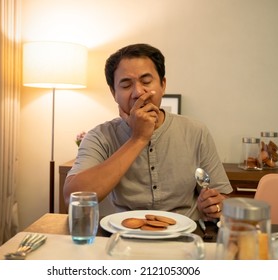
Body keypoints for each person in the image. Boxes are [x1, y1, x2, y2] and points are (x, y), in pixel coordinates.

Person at [63, 43, 232, 220]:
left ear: (163, 85)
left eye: (146, 82)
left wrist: (216, 204)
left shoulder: (196, 132)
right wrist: (138, 138)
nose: (138, 92)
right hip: (120, 239)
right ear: (114, 93)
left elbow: (223, 198)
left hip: (185, 239)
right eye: (126, 85)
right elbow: (72, 197)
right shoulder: (100, 136)